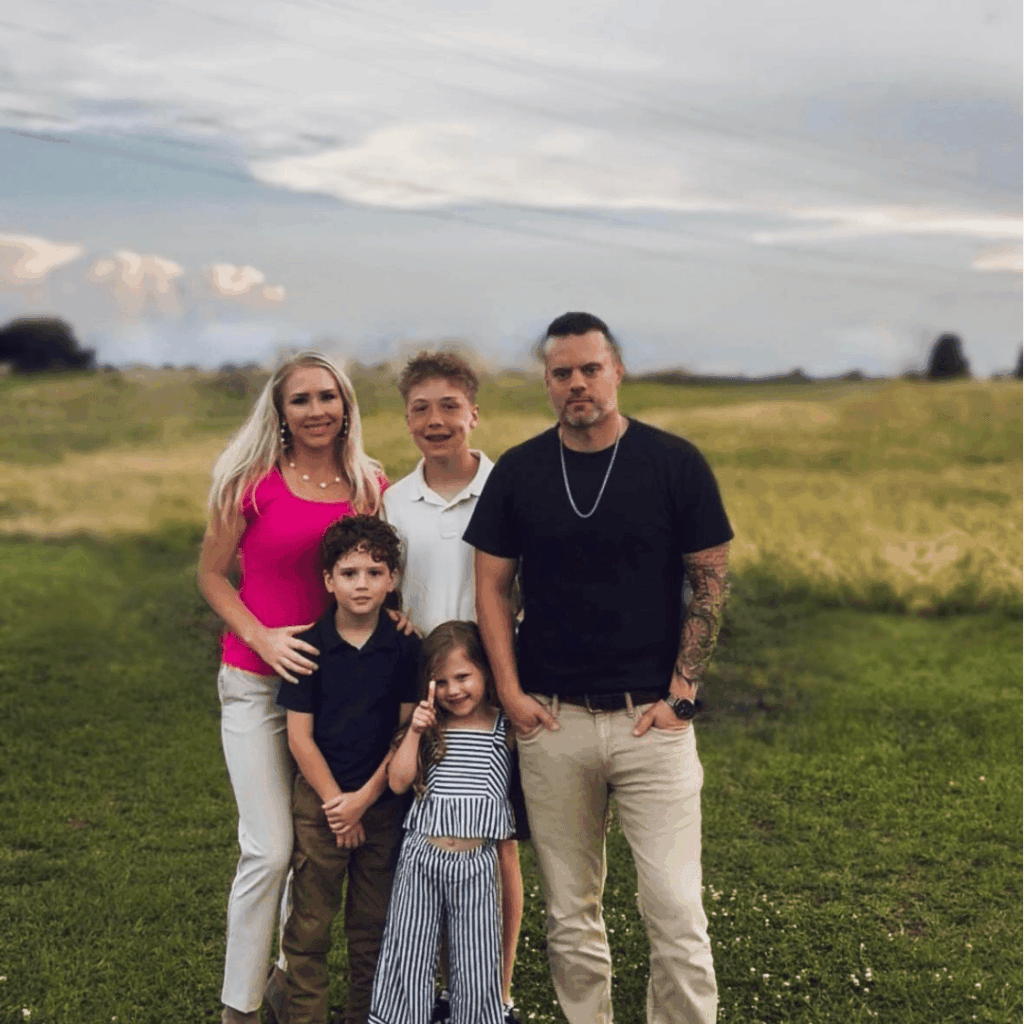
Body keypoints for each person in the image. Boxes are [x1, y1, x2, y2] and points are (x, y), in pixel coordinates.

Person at [465, 312, 733, 1024]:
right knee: (571, 913)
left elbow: (709, 582)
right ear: (547, 384)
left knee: (675, 907)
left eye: (590, 368)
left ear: (616, 371)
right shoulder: (519, 472)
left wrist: (681, 697)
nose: (577, 383)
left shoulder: (675, 463)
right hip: (552, 723)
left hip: (653, 723)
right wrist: (512, 694)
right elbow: (489, 585)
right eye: (562, 373)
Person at [197, 351, 408, 1024]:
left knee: (313, 840)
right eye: (301, 400)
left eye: (328, 397)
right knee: (269, 846)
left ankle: (294, 979)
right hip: (257, 687)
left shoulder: (370, 483)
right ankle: (240, 1006)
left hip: (338, 697)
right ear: (280, 411)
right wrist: (262, 637)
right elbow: (211, 578)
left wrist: (395, 612)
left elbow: (378, 566)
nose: (316, 410)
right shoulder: (249, 482)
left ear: (346, 405)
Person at [381, 351, 524, 1021]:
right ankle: (426, 991)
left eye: (448, 407)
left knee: (496, 845)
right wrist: (391, 611)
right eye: (420, 408)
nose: (435, 421)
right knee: (424, 838)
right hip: (420, 691)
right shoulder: (393, 502)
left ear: (473, 412)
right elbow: (383, 580)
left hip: (493, 692)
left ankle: (494, 992)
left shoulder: (509, 488)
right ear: (407, 418)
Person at [276, 516, 420, 1024]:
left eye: (374, 572)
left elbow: (405, 734)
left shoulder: (405, 648)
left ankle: (366, 1015)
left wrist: (363, 801)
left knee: (372, 928)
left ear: (392, 580)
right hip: (320, 807)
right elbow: (299, 736)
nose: (362, 583)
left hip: (381, 807)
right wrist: (339, 805)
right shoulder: (310, 645)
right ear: (328, 580)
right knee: (310, 927)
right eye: (350, 572)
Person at [369, 621, 514, 1024]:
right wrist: (415, 730)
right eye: (441, 682)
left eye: (463, 676)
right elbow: (398, 782)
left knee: (476, 957)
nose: (454, 690)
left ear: (485, 670)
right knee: (410, 953)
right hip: (421, 859)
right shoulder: (432, 730)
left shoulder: (504, 728)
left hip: (476, 866)